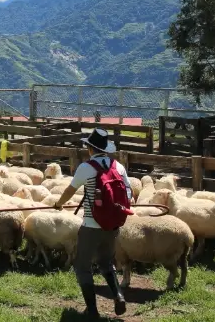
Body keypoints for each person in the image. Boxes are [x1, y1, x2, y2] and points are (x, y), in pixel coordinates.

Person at [53, 128, 133, 319]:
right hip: (113, 226)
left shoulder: (86, 167)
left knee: (82, 266)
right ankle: (118, 295)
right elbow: (129, 193)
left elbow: (70, 190)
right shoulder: (118, 167)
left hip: (91, 225)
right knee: (106, 262)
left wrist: (59, 204)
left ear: (90, 148)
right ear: (105, 149)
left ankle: (92, 310)